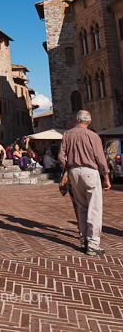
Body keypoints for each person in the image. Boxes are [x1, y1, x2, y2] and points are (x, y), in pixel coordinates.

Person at [58, 110, 111, 256]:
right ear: (89, 121)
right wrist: (106, 178)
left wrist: (67, 169)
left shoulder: (67, 134)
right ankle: (93, 244)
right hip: (90, 172)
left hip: (74, 172)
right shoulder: (92, 136)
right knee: (94, 208)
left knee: (81, 207)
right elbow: (101, 159)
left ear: (76, 119)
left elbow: (61, 158)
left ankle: (83, 240)